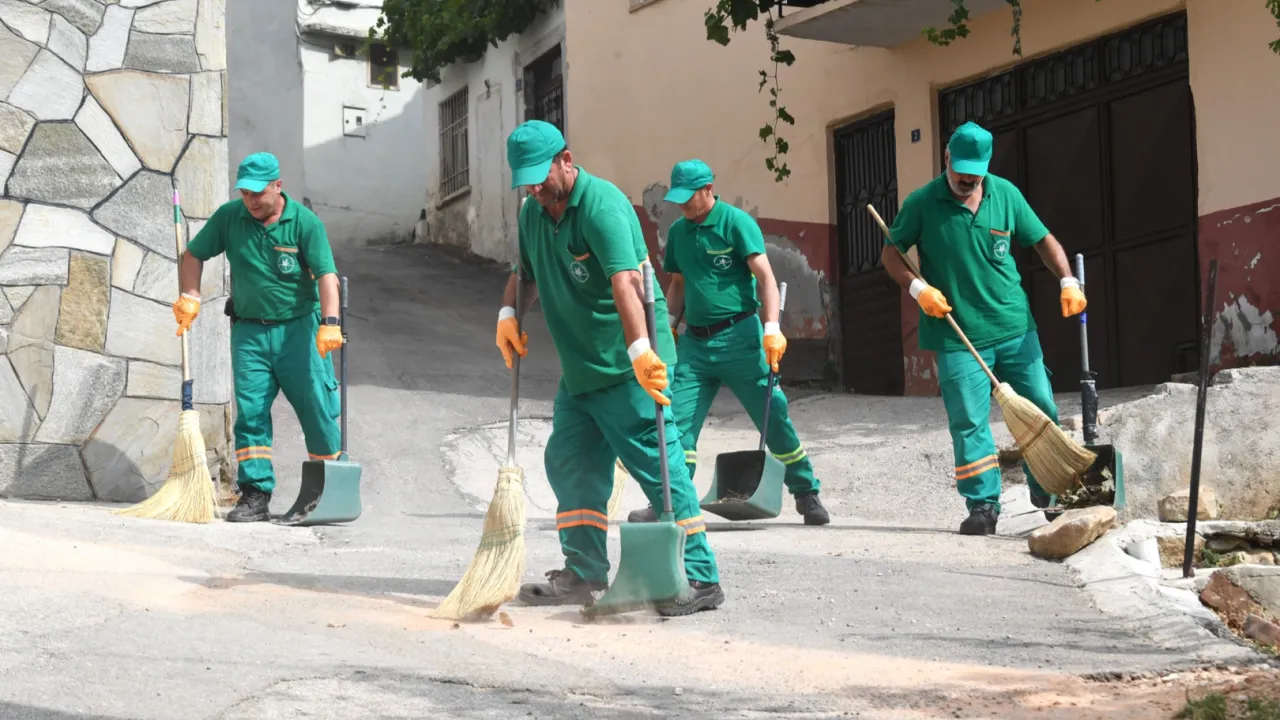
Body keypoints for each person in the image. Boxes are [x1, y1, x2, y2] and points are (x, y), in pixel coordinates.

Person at [496, 120, 724, 615]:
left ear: (566, 160)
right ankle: (584, 573)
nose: (535, 189)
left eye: (541, 176)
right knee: (571, 462)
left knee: (658, 467)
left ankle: (700, 578)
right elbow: (525, 273)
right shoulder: (533, 214)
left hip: (629, 364)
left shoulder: (602, 207)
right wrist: (508, 314)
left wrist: (641, 352)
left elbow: (626, 282)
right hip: (580, 367)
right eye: (526, 181)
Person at [880, 121, 1087, 536]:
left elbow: (1042, 239)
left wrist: (1067, 280)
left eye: (975, 174)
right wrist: (919, 289)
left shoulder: (1005, 194)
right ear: (947, 159)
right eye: (961, 172)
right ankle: (983, 505)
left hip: (1015, 328)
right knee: (969, 421)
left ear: (987, 165)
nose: (967, 181)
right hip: (957, 336)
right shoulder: (922, 203)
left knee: (1041, 409)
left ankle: (1048, 491)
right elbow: (891, 254)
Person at [625, 159, 830, 526]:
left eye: (689, 197)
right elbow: (678, 283)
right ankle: (669, 502)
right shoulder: (679, 233)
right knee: (676, 423)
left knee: (774, 415)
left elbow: (766, 278)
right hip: (695, 347)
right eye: (678, 199)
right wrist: (669, 327)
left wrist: (771, 328)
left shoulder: (736, 223)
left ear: (708, 189)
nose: (682, 205)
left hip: (741, 339)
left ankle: (806, 492)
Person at [172, 151, 345, 523]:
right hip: (249, 332)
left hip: (300, 331)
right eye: (245, 192)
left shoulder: (305, 223)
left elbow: (327, 276)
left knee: (316, 407)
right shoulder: (229, 217)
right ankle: (255, 495)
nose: (250, 200)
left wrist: (330, 322)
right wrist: (191, 295)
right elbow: (193, 254)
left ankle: (329, 488)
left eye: (258, 192)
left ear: (278, 185)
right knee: (250, 414)